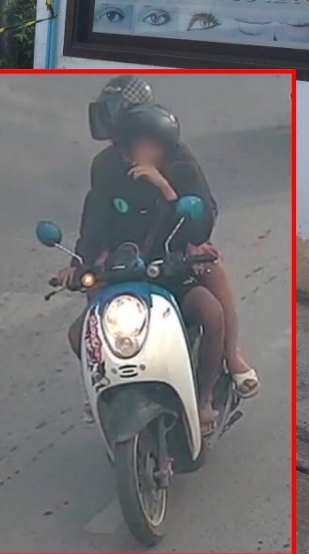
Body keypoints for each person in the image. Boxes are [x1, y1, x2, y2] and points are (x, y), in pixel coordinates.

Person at [58, 104, 231, 434]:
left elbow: (195, 231)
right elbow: (92, 231)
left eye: (155, 145)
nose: (149, 152)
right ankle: (104, 390)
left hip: (169, 276)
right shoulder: (108, 177)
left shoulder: (178, 171)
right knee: (78, 334)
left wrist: (165, 189)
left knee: (212, 314)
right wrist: (77, 266)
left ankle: (204, 397)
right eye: (143, 144)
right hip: (123, 281)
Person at [85, 76, 259, 400]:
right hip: (128, 261)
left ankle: (230, 357)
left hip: (173, 254)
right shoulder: (104, 165)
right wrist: (87, 260)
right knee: (86, 320)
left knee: (214, 281)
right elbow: (95, 219)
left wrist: (186, 228)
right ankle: (102, 387)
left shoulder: (179, 160)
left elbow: (202, 211)